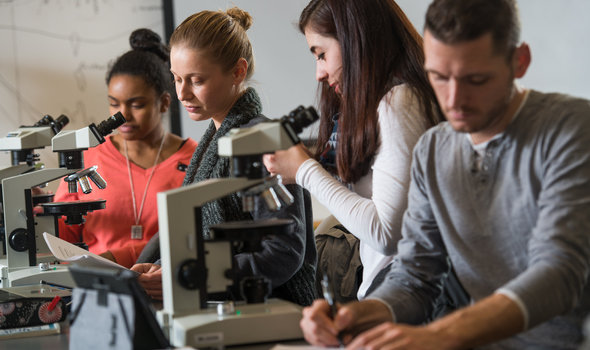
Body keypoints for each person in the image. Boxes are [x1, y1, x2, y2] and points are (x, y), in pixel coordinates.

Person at [299, 0, 590, 348]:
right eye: (438, 76)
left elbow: (559, 273)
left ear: (519, 61)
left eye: (475, 79)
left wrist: (437, 334)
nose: (454, 100)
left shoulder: (572, 128)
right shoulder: (434, 149)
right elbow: (415, 276)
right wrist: (360, 314)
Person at [131, 7, 317, 306]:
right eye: (177, 79)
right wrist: (159, 270)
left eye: (196, 80)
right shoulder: (211, 142)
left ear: (238, 72)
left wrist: (189, 277)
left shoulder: (261, 142)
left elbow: (283, 254)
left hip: (277, 308)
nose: (182, 94)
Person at [263, 0, 442, 300]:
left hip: (408, 300)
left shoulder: (399, 103)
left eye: (322, 55)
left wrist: (305, 172)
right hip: (387, 293)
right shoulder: (383, 104)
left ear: (354, 40)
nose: (319, 73)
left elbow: (386, 235)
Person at [53, 29, 198, 268]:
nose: (123, 116)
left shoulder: (195, 159)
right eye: (114, 104)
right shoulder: (86, 159)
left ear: (163, 102)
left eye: (137, 105)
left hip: (171, 287)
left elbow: (199, 238)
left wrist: (116, 258)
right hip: (99, 289)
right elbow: (62, 242)